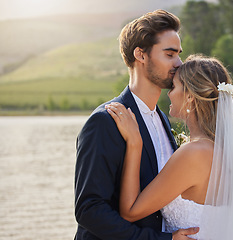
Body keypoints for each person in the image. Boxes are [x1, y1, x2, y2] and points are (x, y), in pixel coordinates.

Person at [105, 55, 233, 239]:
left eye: (174, 87)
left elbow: (130, 211)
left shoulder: (194, 153)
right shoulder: (221, 149)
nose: (168, 93)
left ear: (190, 97)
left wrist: (135, 143)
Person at [74, 10, 199, 240]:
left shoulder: (162, 118)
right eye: (170, 54)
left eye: (179, 55)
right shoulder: (104, 121)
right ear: (140, 55)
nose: (179, 63)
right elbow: (89, 211)